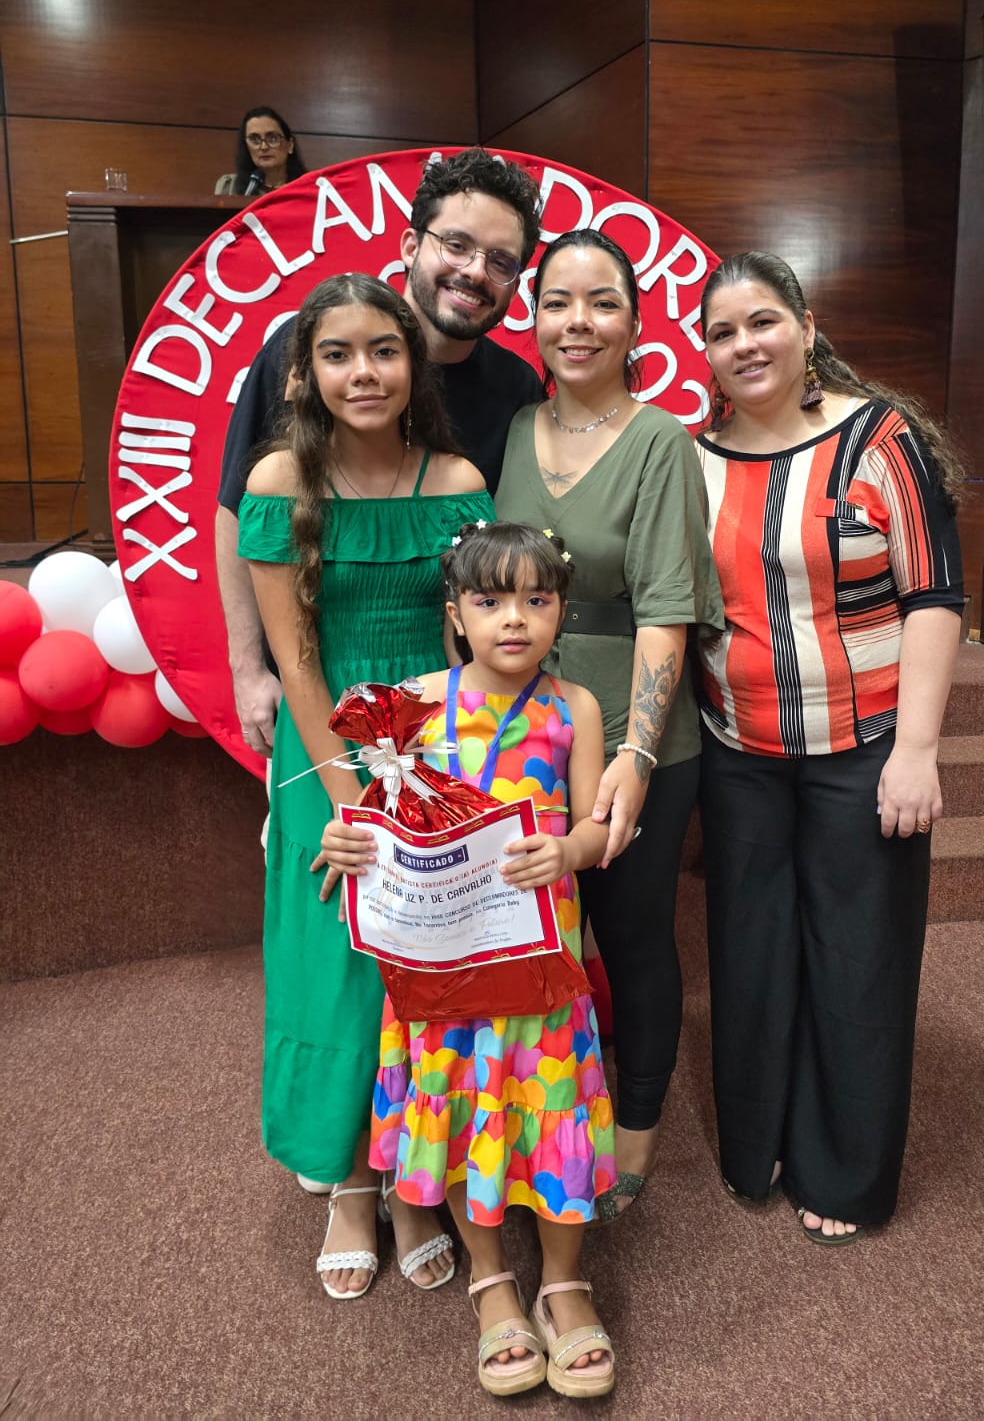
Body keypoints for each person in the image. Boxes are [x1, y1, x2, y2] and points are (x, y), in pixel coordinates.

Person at [695, 251, 965, 1243]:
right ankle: (755, 1143)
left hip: (869, 747)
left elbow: (934, 595)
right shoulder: (694, 457)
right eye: (721, 332)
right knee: (752, 952)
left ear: (805, 328)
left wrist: (919, 750)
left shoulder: (878, 441)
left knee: (859, 956)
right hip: (739, 752)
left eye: (761, 321)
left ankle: (844, 1170)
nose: (743, 345)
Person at [238, 271, 491, 1300]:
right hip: (324, 755)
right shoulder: (274, 486)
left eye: (383, 351)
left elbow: (470, 639)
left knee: (430, 962)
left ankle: (415, 1178)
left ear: (412, 361)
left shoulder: (459, 479)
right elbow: (297, 660)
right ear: (305, 372)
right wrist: (351, 794)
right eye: (337, 354)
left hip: (438, 752)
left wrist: (448, 775)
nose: (364, 373)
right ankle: (348, 1178)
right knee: (339, 964)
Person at [321, 522, 617, 1398]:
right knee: (461, 1109)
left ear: (561, 609)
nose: (515, 620)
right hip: (443, 971)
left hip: (541, 965)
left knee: (553, 1107)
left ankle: (564, 1282)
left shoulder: (576, 709)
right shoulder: (408, 704)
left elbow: (598, 827)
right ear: (454, 613)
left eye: (537, 599)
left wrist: (569, 852)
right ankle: (493, 1286)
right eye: (490, 602)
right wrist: (349, 842)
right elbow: (377, 821)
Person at [494, 229, 723, 1218]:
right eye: (557, 302)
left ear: (634, 321)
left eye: (600, 303)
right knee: (540, 932)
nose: (576, 322)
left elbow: (667, 607)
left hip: (638, 734)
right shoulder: (510, 431)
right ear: (531, 316)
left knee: (632, 937)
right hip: (527, 729)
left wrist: (633, 754)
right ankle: (544, 1113)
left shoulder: (661, 440)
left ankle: (633, 1140)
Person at [215, 147, 545, 762]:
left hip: (443, 710)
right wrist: (246, 668)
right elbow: (239, 512)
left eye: (500, 261)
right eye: (457, 244)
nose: (474, 271)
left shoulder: (518, 389)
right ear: (410, 246)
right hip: (312, 692)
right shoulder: (301, 347)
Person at [215, 105, 307, 196]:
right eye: (255, 139)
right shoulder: (230, 187)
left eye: (273, 138)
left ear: (290, 145)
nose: (264, 147)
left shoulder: (309, 188)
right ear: (247, 147)